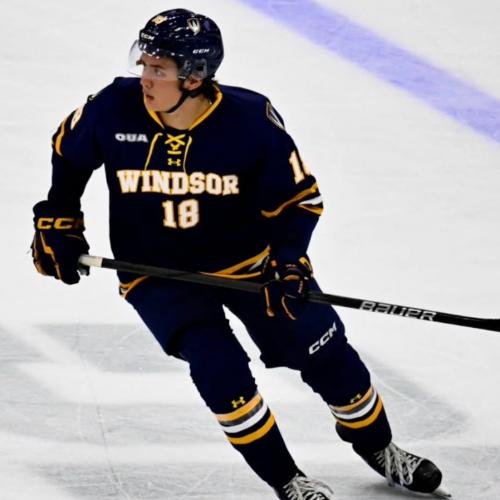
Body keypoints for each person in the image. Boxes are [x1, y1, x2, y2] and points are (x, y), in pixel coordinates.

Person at [30, 9, 449, 499]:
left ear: (195, 76)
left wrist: (290, 262)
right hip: (159, 275)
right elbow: (69, 151)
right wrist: (58, 218)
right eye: (144, 63)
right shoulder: (113, 106)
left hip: (251, 267)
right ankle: (288, 479)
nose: (145, 77)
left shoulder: (249, 120)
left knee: (325, 352)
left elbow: (299, 202)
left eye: (159, 68)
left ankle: (379, 447)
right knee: (219, 369)